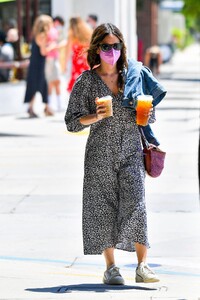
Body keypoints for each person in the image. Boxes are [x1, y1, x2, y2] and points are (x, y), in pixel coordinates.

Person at [65, 23, 166, 285]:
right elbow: (71, 122)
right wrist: (93, 116)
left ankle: (142, 266)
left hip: (131, 149)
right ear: (97, 49)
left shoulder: (133, 75)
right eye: (106, 46)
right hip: (100, 153)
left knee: (137, 204)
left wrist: (146, 112)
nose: (112, 51)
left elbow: (150, 114)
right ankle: (111, 268)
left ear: (122, 48)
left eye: (116, 46)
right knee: (102, 208)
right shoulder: (87, 81)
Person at [24, 15, 54, 117]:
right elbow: (43, 52)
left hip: (34, 64)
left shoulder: (36, 34)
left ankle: (36, 107)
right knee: (41, 85)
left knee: (35, 85)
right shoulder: (43, 35)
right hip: (39, 65)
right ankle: (44, 108)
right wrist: (52, 47)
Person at [65, 17, 92, 93]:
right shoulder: (87, 34)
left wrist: (64, 66)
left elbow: (68, 52)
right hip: (85, 61)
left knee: (76, 82)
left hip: (76, 62)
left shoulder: (72, 36)